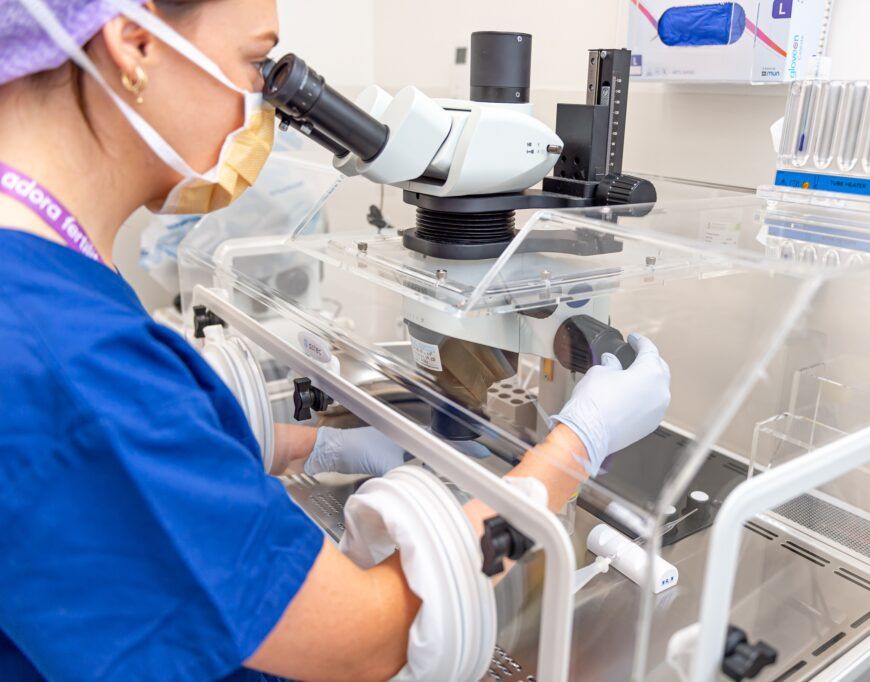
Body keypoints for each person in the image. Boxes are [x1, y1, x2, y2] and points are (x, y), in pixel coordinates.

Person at [0, 1, 673, 680]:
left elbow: (119, 487)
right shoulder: (61, 349)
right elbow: (365, 639)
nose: (261, 108)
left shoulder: (42, 273)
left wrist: (310, 444)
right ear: (135, 43)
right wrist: (575, 446)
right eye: (255, 62)